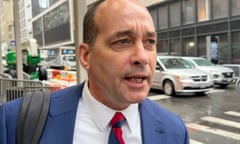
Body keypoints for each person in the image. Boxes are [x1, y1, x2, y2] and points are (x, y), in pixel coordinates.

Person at [0, 0, 189, 143]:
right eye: (122, 41)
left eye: (149, 42)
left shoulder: (175, 131)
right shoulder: (14, 120)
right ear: (86, 56)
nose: (142, 57)